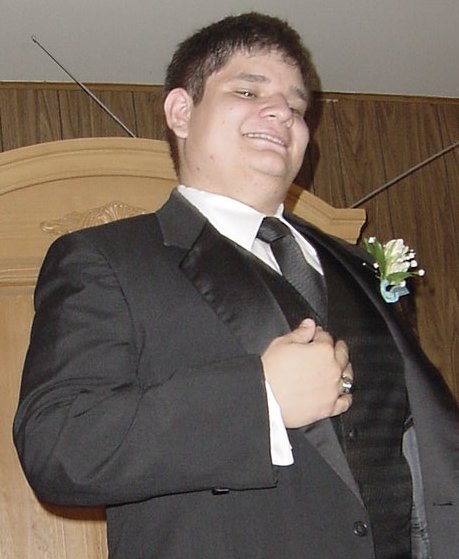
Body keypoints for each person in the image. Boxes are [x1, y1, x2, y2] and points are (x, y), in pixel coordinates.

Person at [13, 12, 458, 559]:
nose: (282, 112)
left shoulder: (359, 266)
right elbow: (58, 446)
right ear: (181, 112)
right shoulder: (104, 258)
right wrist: (259, 399)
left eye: (296, 107)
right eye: (248, 91)